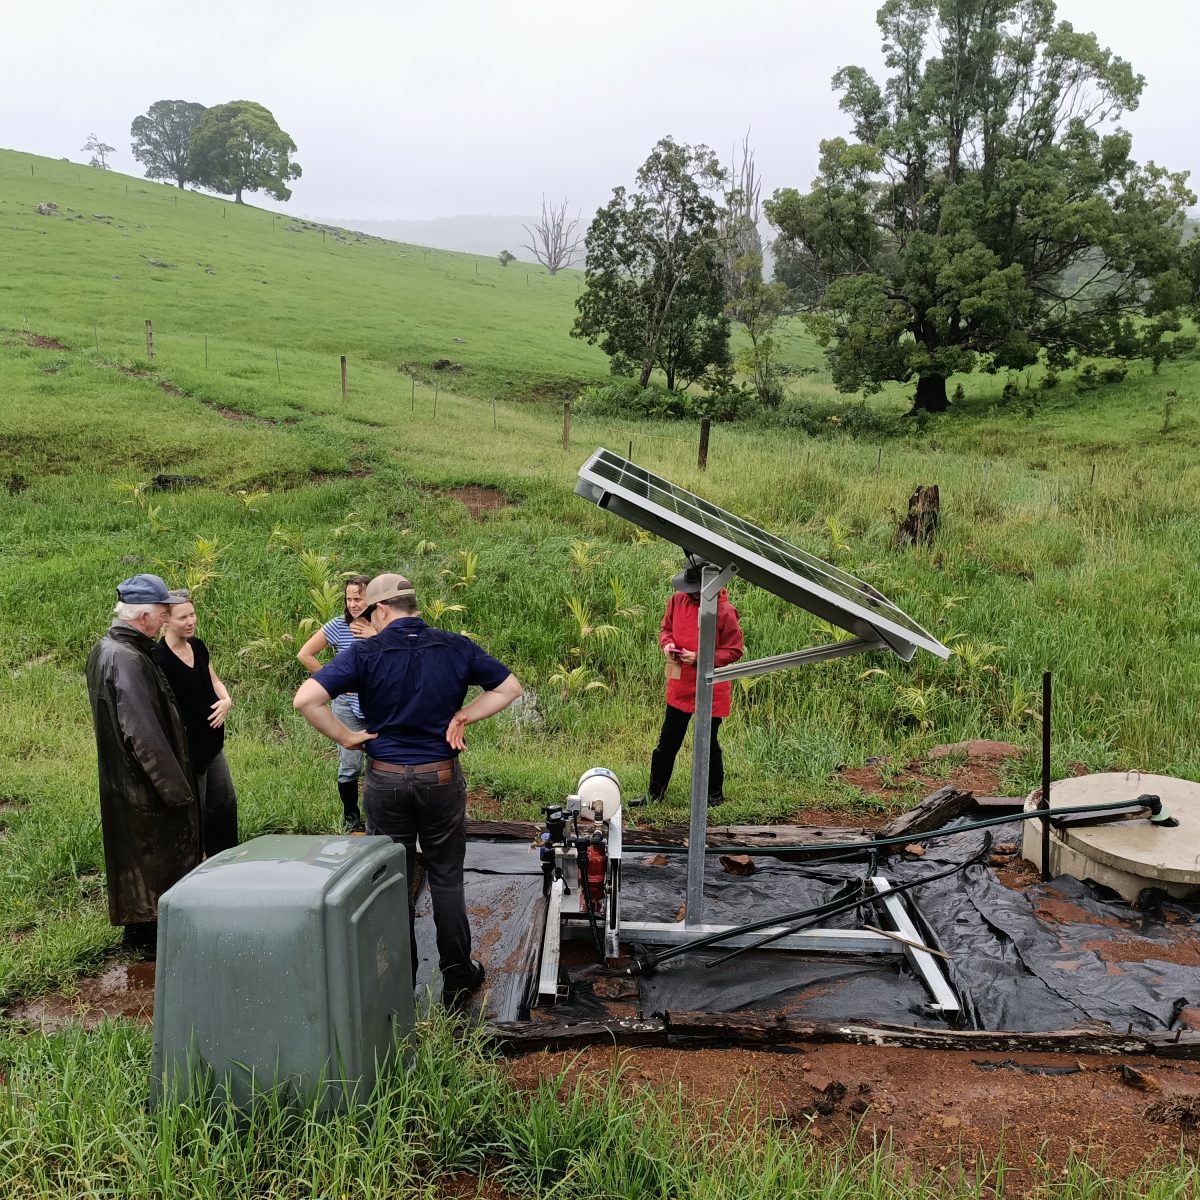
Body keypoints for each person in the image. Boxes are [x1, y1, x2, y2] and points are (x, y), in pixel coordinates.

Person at [293, 572, 522, 1005]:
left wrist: (346, 737)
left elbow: (306, 699)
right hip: (440, 778)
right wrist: (464, 716)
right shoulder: (455, 645)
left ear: (380, 610)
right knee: (447, 877)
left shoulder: (366, 652)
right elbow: (509, 688)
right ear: (413, 605)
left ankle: (400, 977)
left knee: (391, 881)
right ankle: (457, 975)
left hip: (387, 779)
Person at [85, 573, 201, 957]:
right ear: (144, 616)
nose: (167, 618)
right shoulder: (127, 657)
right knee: (157, 857)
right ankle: (155, 946)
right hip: (144, 783)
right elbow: (143, 732)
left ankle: (137, 934)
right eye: (163, 612)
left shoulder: (109, 648)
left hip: (125, 778)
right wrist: (176, 790)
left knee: (136, 854)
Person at [635, 555, 744, 805]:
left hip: (711, 686)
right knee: (667, 743)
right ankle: (654, 794)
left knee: (708, 744)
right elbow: (666, 629)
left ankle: (714, 796)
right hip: (680, 685)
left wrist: (698, 657)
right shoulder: (676, 600)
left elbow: (734, 650)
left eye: (697, 591)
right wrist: (667, 645)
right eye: (691, 591)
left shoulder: (725, 611)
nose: (692, 595)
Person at [157, 588, 238, 857]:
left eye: (192, 614)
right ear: (166, 619)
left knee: (224, 803)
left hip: (213, 742)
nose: (190, 621)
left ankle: (225, 858)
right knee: (196, 810)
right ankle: (195, 862)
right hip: (187, 749)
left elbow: (214, 681)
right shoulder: (160, 659)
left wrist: (226, 700)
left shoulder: (198, 646)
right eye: (183, 617)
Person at [296, 575, 373, 832]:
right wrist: (333, 682)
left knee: (379, 763)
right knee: (350, 764)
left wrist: (375, 634)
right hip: (347, 706)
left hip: (378, 706)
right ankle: (351, 818)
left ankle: (378, 818)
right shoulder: (338, 626)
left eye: (358, 599)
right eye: (349, 599)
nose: (352, 604)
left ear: (372, 599)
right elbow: (305, 654)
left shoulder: (385, 627)